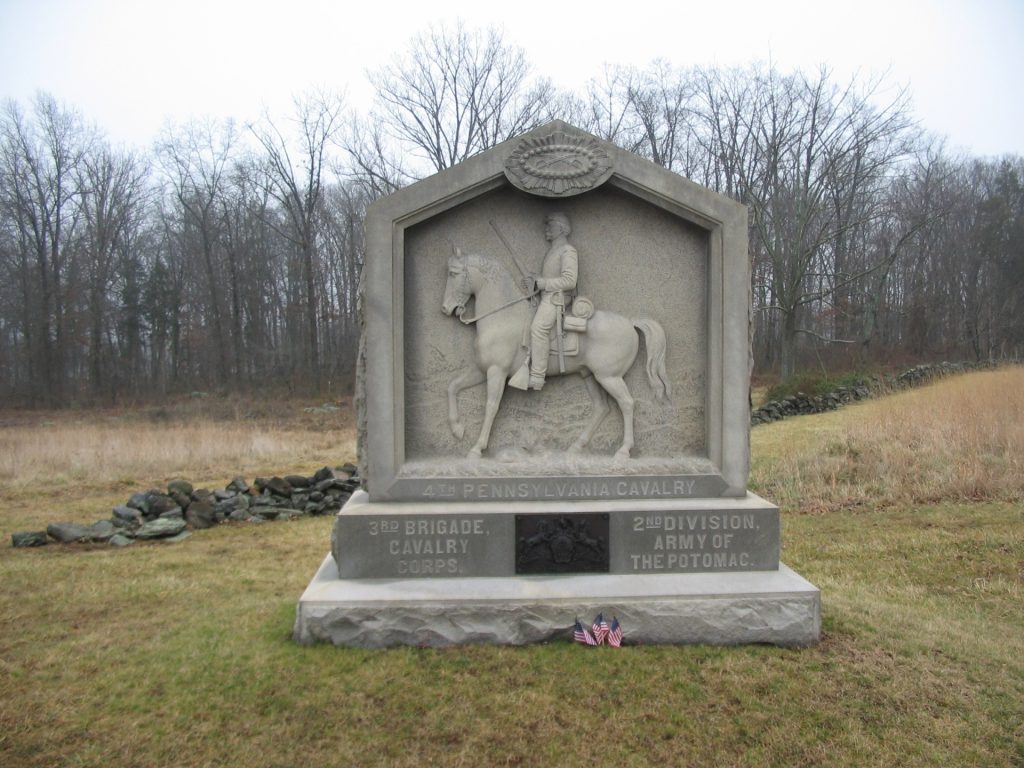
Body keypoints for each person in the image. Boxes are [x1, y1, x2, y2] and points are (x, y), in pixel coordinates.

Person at [509, 212, 578, 391]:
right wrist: (533, 281)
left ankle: (537, 376)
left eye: (551, 225)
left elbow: (570, 280)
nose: (547, 228)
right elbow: (548, 278)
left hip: (559, 298)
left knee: (538, 328)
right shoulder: (553, 251)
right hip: (547, 295)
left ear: (561, 229)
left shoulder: (568, 250)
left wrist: (543, 283)